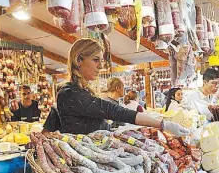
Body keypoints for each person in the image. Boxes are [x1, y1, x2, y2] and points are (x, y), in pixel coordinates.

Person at [56, 38, 189, 136]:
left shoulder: (79, 91)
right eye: (96, 60)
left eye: (101, 61)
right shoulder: (69, 93)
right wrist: (162, 124)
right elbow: (114, 111)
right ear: (79, 60)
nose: (100, 66)